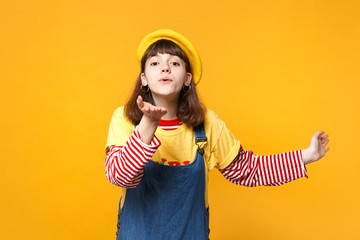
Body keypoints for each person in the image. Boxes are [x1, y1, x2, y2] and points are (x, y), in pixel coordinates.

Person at [104, 29, 330, 240]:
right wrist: (148, 124)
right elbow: (119, 176)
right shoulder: (124, 119)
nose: (165, 68)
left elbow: (248, 170)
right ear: (143, 78)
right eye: (155, 63)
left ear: (187, 79)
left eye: (174, 62)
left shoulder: (208, 124)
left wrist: (306, 156)